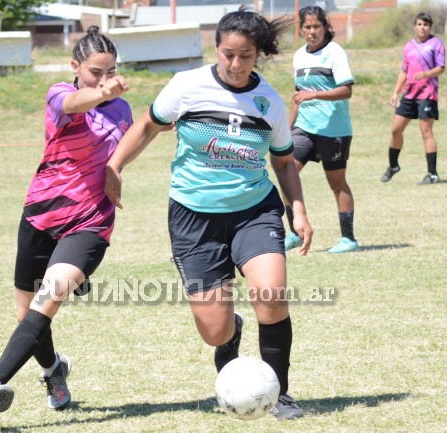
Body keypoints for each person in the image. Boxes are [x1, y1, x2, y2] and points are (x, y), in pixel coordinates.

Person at [105, 5, 313, 420]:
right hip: (193, 217)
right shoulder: (187, 86)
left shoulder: (267, 101)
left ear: (259, 55)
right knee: (214, 331)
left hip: (254, 210)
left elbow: (285, 161)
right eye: (227, 54)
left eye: (246, 56)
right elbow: (148, 125)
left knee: (270, 297)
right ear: (216, 48)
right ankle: (230, 331)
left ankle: (281, 394)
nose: (235, 64)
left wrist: (299, 210)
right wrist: (115, 164)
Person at [0, 26, 132, 419]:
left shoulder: (121, 111)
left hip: (90, 221)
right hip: (41, 216)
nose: (104, 80)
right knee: (28, 317)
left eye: (110, 72)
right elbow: (77, 102)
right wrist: (101, 93)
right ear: (75, 67)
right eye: (96, 71)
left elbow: (123, 146)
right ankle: (53, 369)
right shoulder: (60, 94)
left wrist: (115, 167)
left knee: (48, 298)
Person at [283, 6, 358, 254]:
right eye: (307, 27)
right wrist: (287, 129)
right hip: (304, 128)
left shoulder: (334, 52)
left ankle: (348, 239)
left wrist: (315, 94)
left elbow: (346, 90)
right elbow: (298, 96)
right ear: (301, 29)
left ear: (325, 27)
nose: (312, 31)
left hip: (334, 130)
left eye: (317, 26)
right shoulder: (299, 56)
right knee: (287, 174)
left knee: (337, 183)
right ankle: (294, 233)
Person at [380, 12, 446, 185]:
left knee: (426, 132)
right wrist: (395, 92)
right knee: (395, 130)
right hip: (409, 95)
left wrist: (426, 74)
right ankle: (393, 166)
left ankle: (433, 174)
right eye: (419, 24)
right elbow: (404, 71)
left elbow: (441, 68)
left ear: (430, 27)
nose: (422, 27)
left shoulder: (436, 43)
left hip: (427, 94)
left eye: (425, 24)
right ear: (414, 26)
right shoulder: (409, 46)